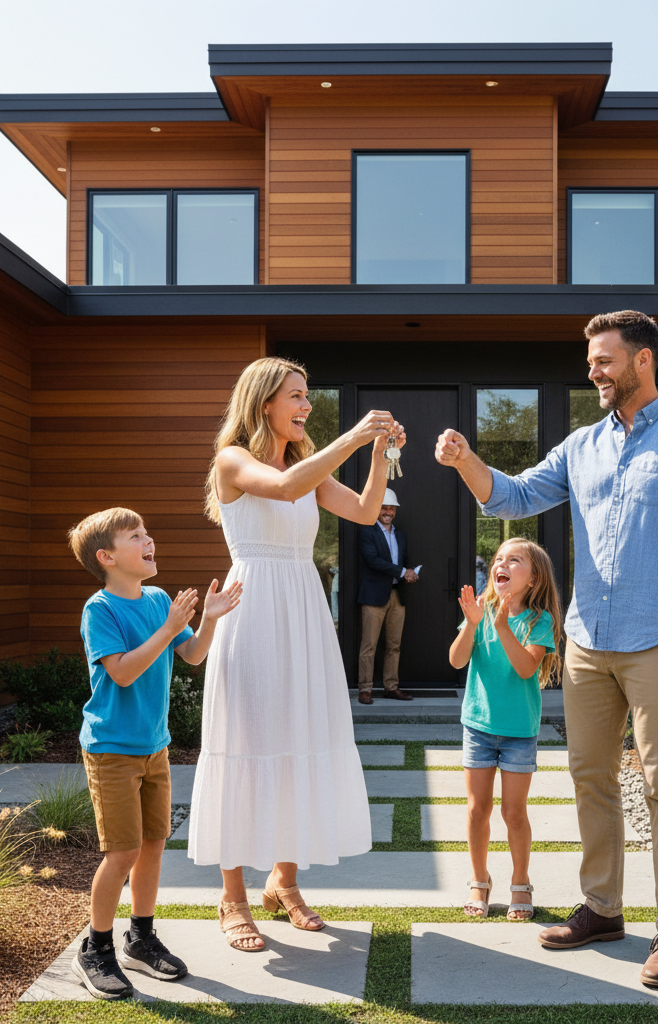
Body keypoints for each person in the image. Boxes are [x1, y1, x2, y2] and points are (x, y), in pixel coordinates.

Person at [435, 310, 658, 988]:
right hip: (584, 642)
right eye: (591, 361)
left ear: (642, 361)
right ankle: (603, 908)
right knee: (589, 778)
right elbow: (511, 498)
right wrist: (465, 462)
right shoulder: (581, 446)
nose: (593, 371)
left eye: (604, 360)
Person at [188, 356, 405, 953]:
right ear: (264, 403)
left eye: (307, 396)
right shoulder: (234, 459)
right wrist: (356, 434)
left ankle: (283, 882)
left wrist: (382, 455)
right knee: (247, 740)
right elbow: (283, 489)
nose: (306, 406)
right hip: (252, 609)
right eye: (297, 396)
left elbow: (363, 511)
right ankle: (232, 895)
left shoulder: (303, 464)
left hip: (302, 609)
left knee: (298, 734)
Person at [67, 507, 241, 1000]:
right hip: (111, 750)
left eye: (147, 533)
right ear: (107, 557)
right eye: (135, 535)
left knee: (152, 846)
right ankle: (96, 949)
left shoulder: (159, 599)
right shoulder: (100, 609)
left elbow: (193, 655)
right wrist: (167, 629)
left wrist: (206, 619)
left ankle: (140, 939)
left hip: (154, 747)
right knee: (121, 851)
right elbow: (122, 672)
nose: (149, 541)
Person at [450, 538, 562, 922]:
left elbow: (527, 668)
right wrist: (472, 624)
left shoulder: (538, 621)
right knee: (477, 809)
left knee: (514, 812)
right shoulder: (481, 612)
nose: (503, 564)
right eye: (499, 559)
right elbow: (456, 659)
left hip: (518, 732)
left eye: (515, 560)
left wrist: (502, 626)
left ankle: (520, 881)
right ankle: (479, 881)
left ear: (532, 579)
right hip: (479, 727)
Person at [356, 487, 419, 704]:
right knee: (369, 645)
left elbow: (405, 560)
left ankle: (391, 687)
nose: (388, 512)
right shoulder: (367, 531)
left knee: (394, 645)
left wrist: (410, 573)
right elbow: (373, 561)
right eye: (384, 507)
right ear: (377, 509)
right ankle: (365, 689)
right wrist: (403, 572)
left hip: (397, 596)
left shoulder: (400, 534)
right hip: (374, 597)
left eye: (392, 508)